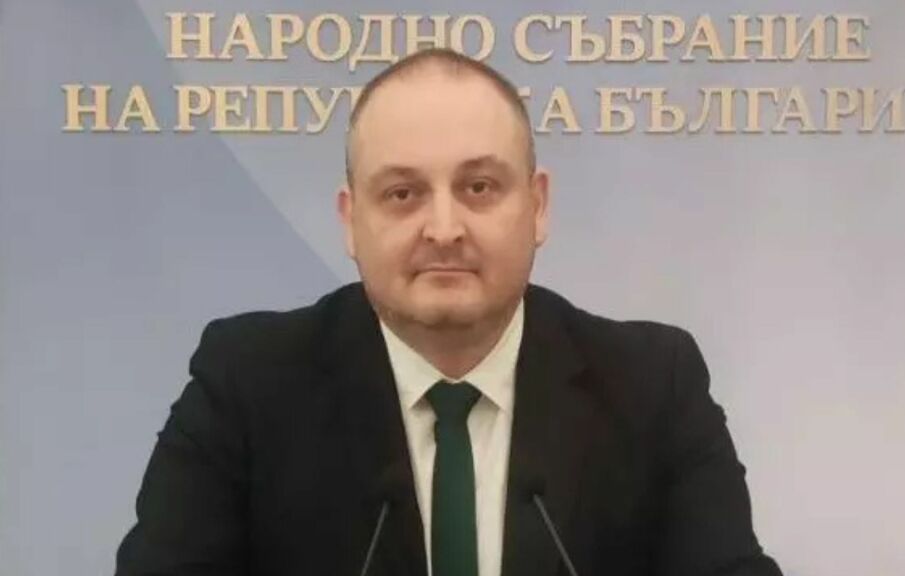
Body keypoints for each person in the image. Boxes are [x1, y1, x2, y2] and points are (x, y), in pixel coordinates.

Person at [115, 48, 783, 576]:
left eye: (479, 187)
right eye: (403, 193)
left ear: (537, 206)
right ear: (351, 221)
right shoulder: (248, 385)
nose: (443, 228)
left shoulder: (653, 385)